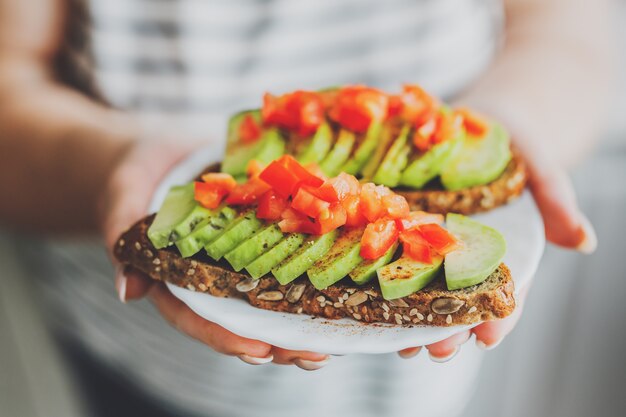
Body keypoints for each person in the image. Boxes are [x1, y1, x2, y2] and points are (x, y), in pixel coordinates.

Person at [0, 0, 611, 416]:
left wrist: (516, 114)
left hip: (423, 391)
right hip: (142, 367)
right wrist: (114, 163)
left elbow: (569, 31)